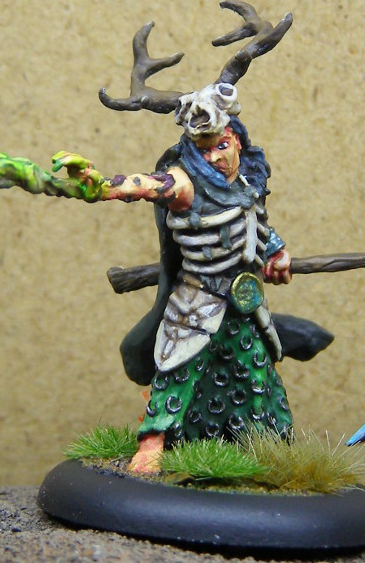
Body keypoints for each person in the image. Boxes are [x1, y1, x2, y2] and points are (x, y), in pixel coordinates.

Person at [55, 84, 294, 473]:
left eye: (223, 145)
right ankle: (152, 443)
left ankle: (265, 446)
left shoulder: (246, 183)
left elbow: (256, 224)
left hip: (245, 306)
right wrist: (101, 186)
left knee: (257, 373)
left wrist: (277, 254)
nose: (216, 157)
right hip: (198, 303)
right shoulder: (184, 184)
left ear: (237, 140)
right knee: (178, 370)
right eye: (205, 150)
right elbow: (145, 185)